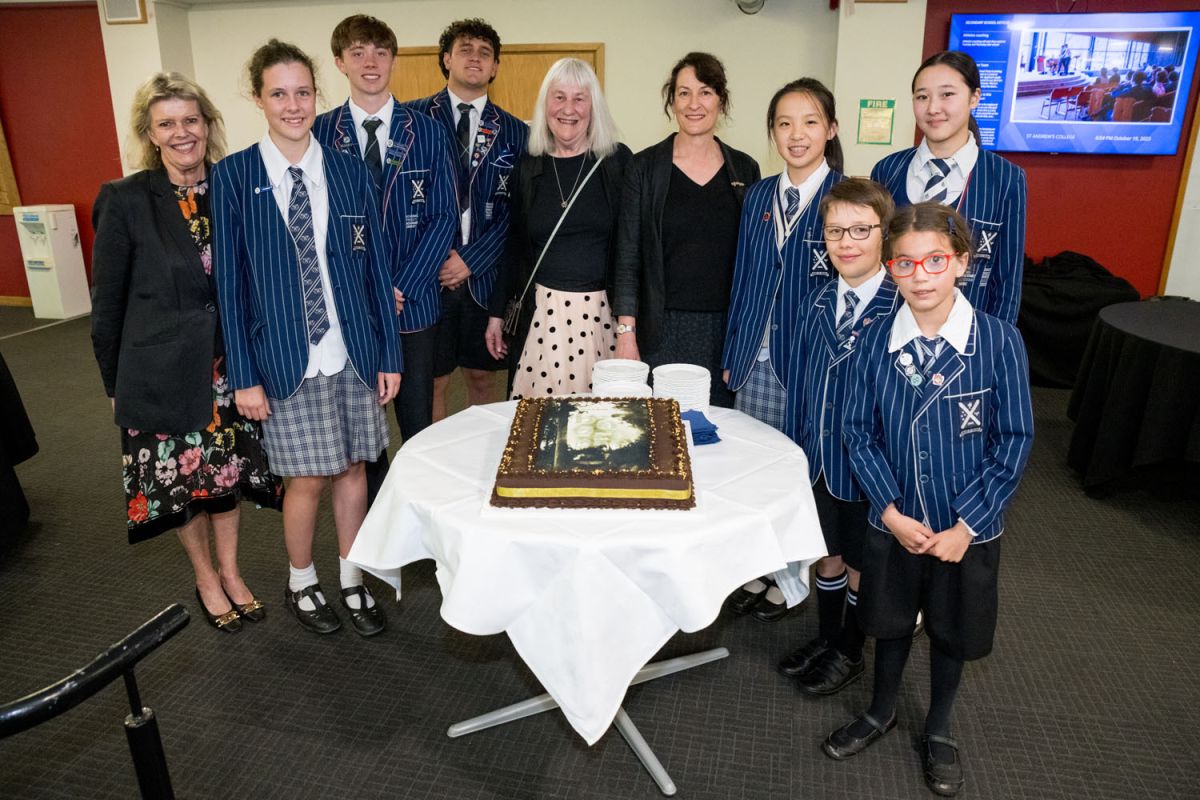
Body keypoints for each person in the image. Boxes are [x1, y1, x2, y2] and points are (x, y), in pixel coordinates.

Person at [826, 201, 1034, 798]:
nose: (920, 275)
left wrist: (969, 524)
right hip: (897, 519)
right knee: (888, 622)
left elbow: (1015, 438)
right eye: (905, 263)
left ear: (961, 263)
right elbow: (857, 432)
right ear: (890, 269)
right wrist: (888, 512)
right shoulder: (874, 344)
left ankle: (939, 727)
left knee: (952, 630)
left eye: (935, 260)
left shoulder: (997, 342)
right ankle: (881, 709)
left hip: (964, 529)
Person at [212, 40, 402, 637]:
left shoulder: (347, 170)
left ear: (316, 94)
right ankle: (301, 583)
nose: (293, 106)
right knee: (307, 479)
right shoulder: (235, 175)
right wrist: (242, 374)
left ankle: (350, 576)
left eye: (302, 92)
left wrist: (388, 354)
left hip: (352, 353)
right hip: (284, 359)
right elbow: (232, 289)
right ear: (258, 98)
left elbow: (375, 271)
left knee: (352, 470)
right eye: (278, 93)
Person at [91, 72, 283, 634]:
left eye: (191, 121)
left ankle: (232, 569)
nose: (182, 133)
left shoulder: (236, 184)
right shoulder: (124, 200)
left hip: (228, 367)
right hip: (159, 370)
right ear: (150, 135)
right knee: (181, 487)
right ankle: (204, 576)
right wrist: (113, 386)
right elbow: (108, 306)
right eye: (167, 124)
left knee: (224, 480)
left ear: (208, 126)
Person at [314, 14, 457, 503]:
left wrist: (400, 286)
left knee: (417, 422)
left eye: (379, 52)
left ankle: (420, 519)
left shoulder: (430, 132)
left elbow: (443, 218)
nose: (369, 62)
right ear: (340, 62)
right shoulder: (318, 134)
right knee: (364, 432)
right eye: (357, 52)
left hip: (412, 305)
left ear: (394, 59)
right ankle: (375, 522)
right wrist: (367, 292)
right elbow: (317, 230)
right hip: (351, 312)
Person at [720, 77, 844, 622]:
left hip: (810, 366)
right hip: (754, 360)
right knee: (755, 470)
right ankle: (760, 568)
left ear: (831, 130)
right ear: (772, 132)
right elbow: (744, 279)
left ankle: (793, 580)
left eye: (810, 122)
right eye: (785, 124)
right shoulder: (757, 197)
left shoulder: (845, 201)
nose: (797, 135)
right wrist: (733, 347)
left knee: (799, 474)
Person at [778, 178, 901, 694]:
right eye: (835, 231)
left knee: (857, 560)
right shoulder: (815, 303)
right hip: (818, 457)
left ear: (884, 235)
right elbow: (802, 386)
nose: (847, 242)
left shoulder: (900, 308)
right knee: (825, 552)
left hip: (867, 466)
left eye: (860, 230)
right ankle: (828, 637)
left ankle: (850, 650)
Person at [613, 52, 761, 408]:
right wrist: (626, 332)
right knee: (660, 431)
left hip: (725, 331)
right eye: (684, 93)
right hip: (660, 329)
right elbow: (628, 255)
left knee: (718, 429)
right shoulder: (644, 167)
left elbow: (755, 260)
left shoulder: (745, 169)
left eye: (706, 92)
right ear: (672, 101)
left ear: (721, 101)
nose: (694, 104)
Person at [483, 58, 631, 396]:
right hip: (542, 318)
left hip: (601, 317)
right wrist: (495, 314)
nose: (569, 109)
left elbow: (632, 250)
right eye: (559, 97)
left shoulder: (616, 163)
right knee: (538, 429)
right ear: (545, 104)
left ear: (594, 106)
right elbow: (515, 245)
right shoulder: (528, 166)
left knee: (599, 427)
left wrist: (629, 326)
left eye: (580, 98)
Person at [407, 18, 529, 421]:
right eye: (465, 49)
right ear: (446, 59)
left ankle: (486, 464)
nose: (474, 58)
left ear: (495, 67)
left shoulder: (516, 132)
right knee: (433, 382)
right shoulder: (412, 122)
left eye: (485, 52)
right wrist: (437, 258)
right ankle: (439, 470)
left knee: (482, 377)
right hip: (427, 276)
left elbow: (519, 213)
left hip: (486, 279)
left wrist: (470, 259)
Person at [871, 51, 1027, 326]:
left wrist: (995, 346)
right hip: (888, 331)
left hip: (967, 338)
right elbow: (874, 262)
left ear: (974, 98)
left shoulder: (1006, 178)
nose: (932, 108)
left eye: (947, 95)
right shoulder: (887, 170)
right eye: (922, 97)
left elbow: (1007, 282)